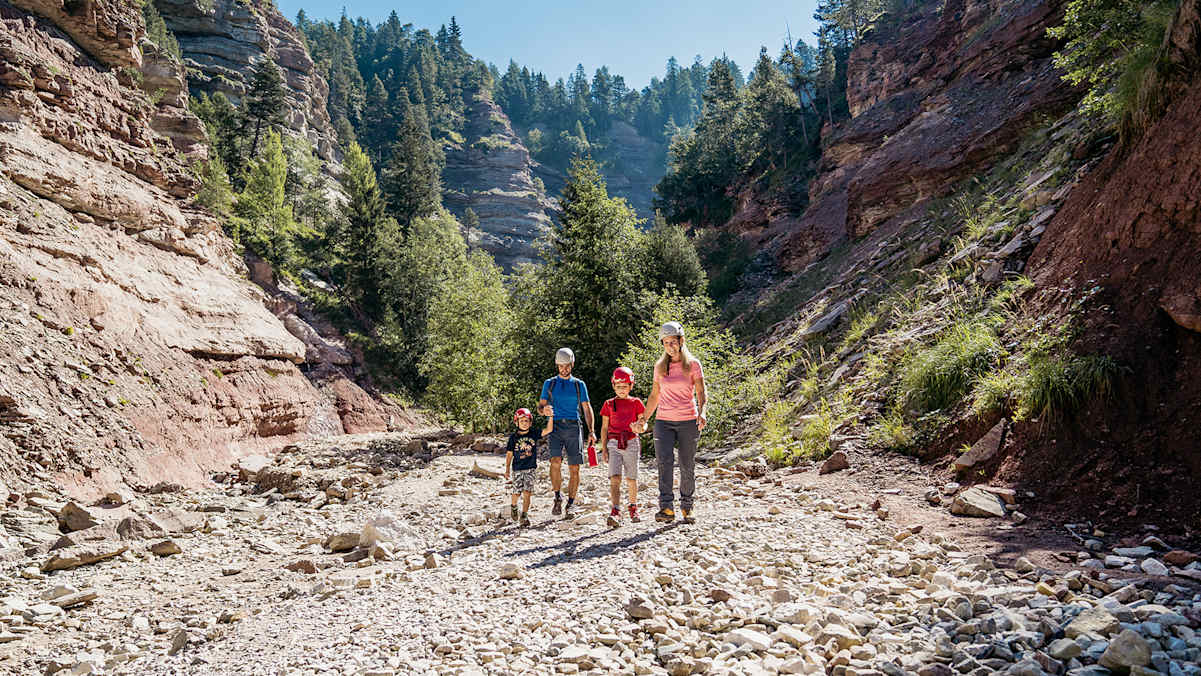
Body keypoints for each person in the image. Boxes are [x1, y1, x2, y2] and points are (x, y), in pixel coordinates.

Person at [635, 322, 707, 524]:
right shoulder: (660, 367)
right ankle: (666, 507)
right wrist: (644, 419)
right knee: (664, 464)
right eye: (666, 343)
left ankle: (687, 507)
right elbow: (654, 395)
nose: (670, 346)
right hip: (664, 422)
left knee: (687, 465)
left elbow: (701, 392)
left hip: (688, 421)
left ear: (681, 341)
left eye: (673, 342)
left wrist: (702, 412)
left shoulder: (693, 365)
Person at [538, 347, 596, 519]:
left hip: (573, 426)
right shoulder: (550, 383)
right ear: (557, 365)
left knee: (574, 467)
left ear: (572, 364)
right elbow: (540, 407)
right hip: (554, 426)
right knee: (555, 462)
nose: (564, 369)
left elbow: (587, 408)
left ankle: (570, 504)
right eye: (561, 366)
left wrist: (591, 431)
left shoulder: (579, 385)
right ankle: (557, 497)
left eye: (567, 366)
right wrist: (544, 411)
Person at [599, 366, 646, 527]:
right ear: (613, 386)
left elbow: (643, 423)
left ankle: (633, 507)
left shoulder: (636, 403)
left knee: (631, 478)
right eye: (618, 387)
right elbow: (604, 428)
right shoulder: (609, 404)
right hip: (613, 443)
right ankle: (616, 510)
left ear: (631, 386)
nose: (621, 390)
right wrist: (604, 448)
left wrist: (640, 428)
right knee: (615, 478)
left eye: (625, 386)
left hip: (631, 442)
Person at [505, 408, 551, 527]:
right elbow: (509, 454)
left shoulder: (534, 433)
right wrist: (507, 470)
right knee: (516, 493)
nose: (524, 423)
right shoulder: (513, 438)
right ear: (516, 422)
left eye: (527, 421)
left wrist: (550, 417)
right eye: (522, 421)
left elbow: (549, 429)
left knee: (527, 492)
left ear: (530, 422)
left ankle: (524, 515)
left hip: (531, 468)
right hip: (517, 469)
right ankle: (514, 506)